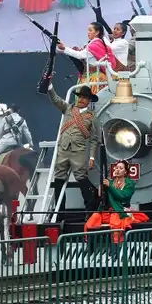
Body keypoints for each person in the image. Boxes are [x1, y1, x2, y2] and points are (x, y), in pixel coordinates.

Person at [46, 83, 101, 213]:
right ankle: (60, 210)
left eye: (84, 98)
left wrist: (92, 156)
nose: (81, 99)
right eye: (80, 97)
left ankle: (90, 207)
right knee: (59, 178)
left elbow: (94, 139)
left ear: (89, 101)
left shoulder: (92, 118)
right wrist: (50, 87)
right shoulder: (68, 108)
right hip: (63, 149)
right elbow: (55, 99)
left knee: (81, 177)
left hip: (78, 151)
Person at [84, 160, 148, 235]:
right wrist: (101, 188)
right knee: (93, 219)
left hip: (121, 210)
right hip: (107, 211)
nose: (118, 170)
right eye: (116, 168)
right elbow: (100, 196)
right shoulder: (110, 182)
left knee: (115, 221)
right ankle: (90, 242)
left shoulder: (130, 184)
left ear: (125, 172)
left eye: (121, 168)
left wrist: (110, 187)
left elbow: (122, 196)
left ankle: (116, 244)